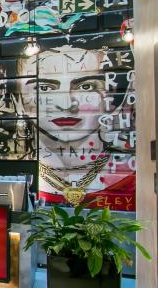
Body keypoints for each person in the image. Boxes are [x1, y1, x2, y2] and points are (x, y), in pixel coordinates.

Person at [14, 33, 135, 210]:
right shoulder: (15, 176)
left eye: (86, 86)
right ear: (19, 102)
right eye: (44, 88)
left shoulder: (135, 179)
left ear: (110, 99)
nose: (66, 104)